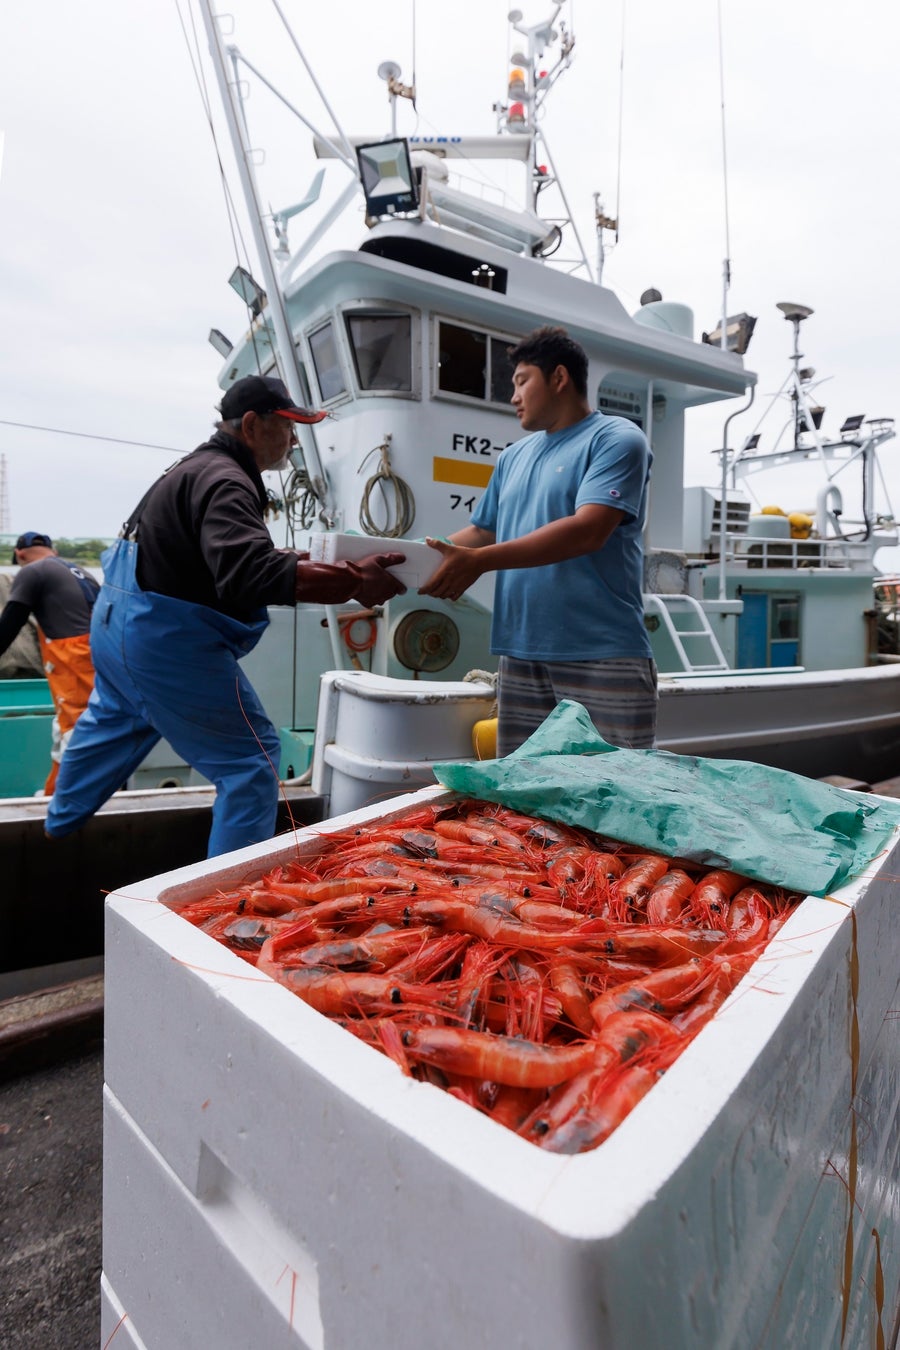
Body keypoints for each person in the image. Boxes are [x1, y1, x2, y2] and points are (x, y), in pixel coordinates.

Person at [45, 375, 407, 857]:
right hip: (164, 644)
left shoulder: (192, 468)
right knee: (249, 764)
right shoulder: (227, 480)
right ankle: (232, 894)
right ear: (252, 425)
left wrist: (318, 562)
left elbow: (225, 558)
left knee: (113, 723)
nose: (294, 441)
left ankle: (52, 834)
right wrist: (356, 581)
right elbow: (247, 573)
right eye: (288, 427)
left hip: (115, 631)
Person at [420, 325, 657, 755]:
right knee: (523, 787)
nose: (513, 397)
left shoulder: (617, 439)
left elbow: (589, 529)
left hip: (601, 653)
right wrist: (409, 559)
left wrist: (479, 561)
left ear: (559, 378)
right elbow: (481, 532)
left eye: (521, 381)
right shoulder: (512, 457)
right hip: (520, 653)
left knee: (611, 787)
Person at [0, 531, 100, 793]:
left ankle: (69, 802)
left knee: (75, 730)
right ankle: (53, 795)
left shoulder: (32, 571)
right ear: (53, 550)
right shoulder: (80, 572)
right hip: (101, 653)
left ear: (19, 555)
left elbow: (11, 623)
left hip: (73, 658)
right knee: (75, 726)